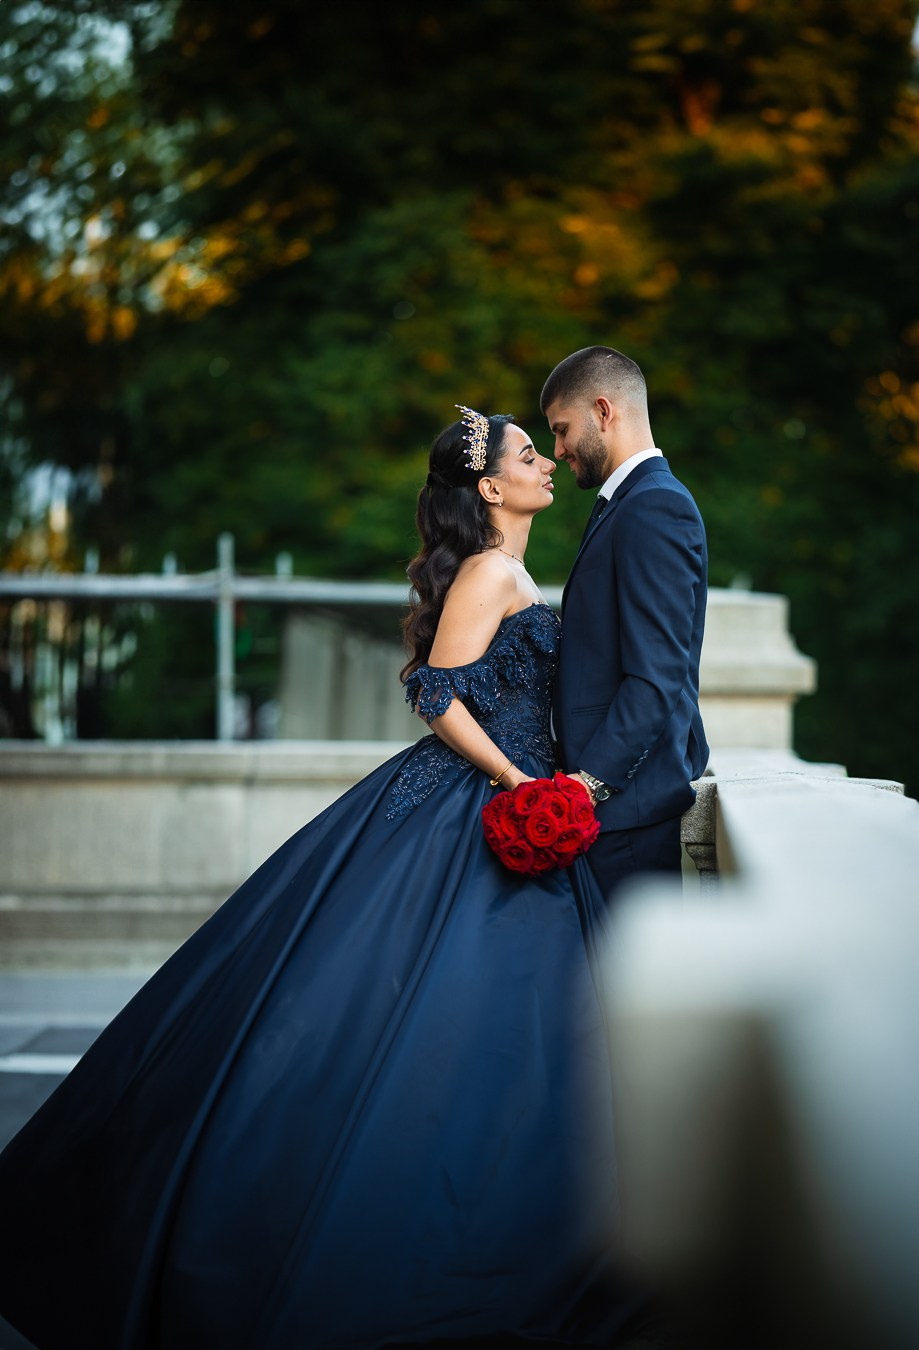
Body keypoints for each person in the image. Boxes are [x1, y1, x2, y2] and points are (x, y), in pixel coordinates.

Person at [0, 409, 639, 1350]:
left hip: (507, 809)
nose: (547, 463)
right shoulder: (492, 570)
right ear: (492, 490)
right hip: (473, 812)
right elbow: (434, 690)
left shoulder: (512, 570)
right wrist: (518, 785)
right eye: (527, 454)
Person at [541, 347, 710, 903]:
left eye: (563, 430)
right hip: (615, 807)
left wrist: (588, 784)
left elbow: (656, 674)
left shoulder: (655, 506)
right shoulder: (628, 502)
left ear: (604, 410)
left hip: (627, 810)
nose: (557, 449)